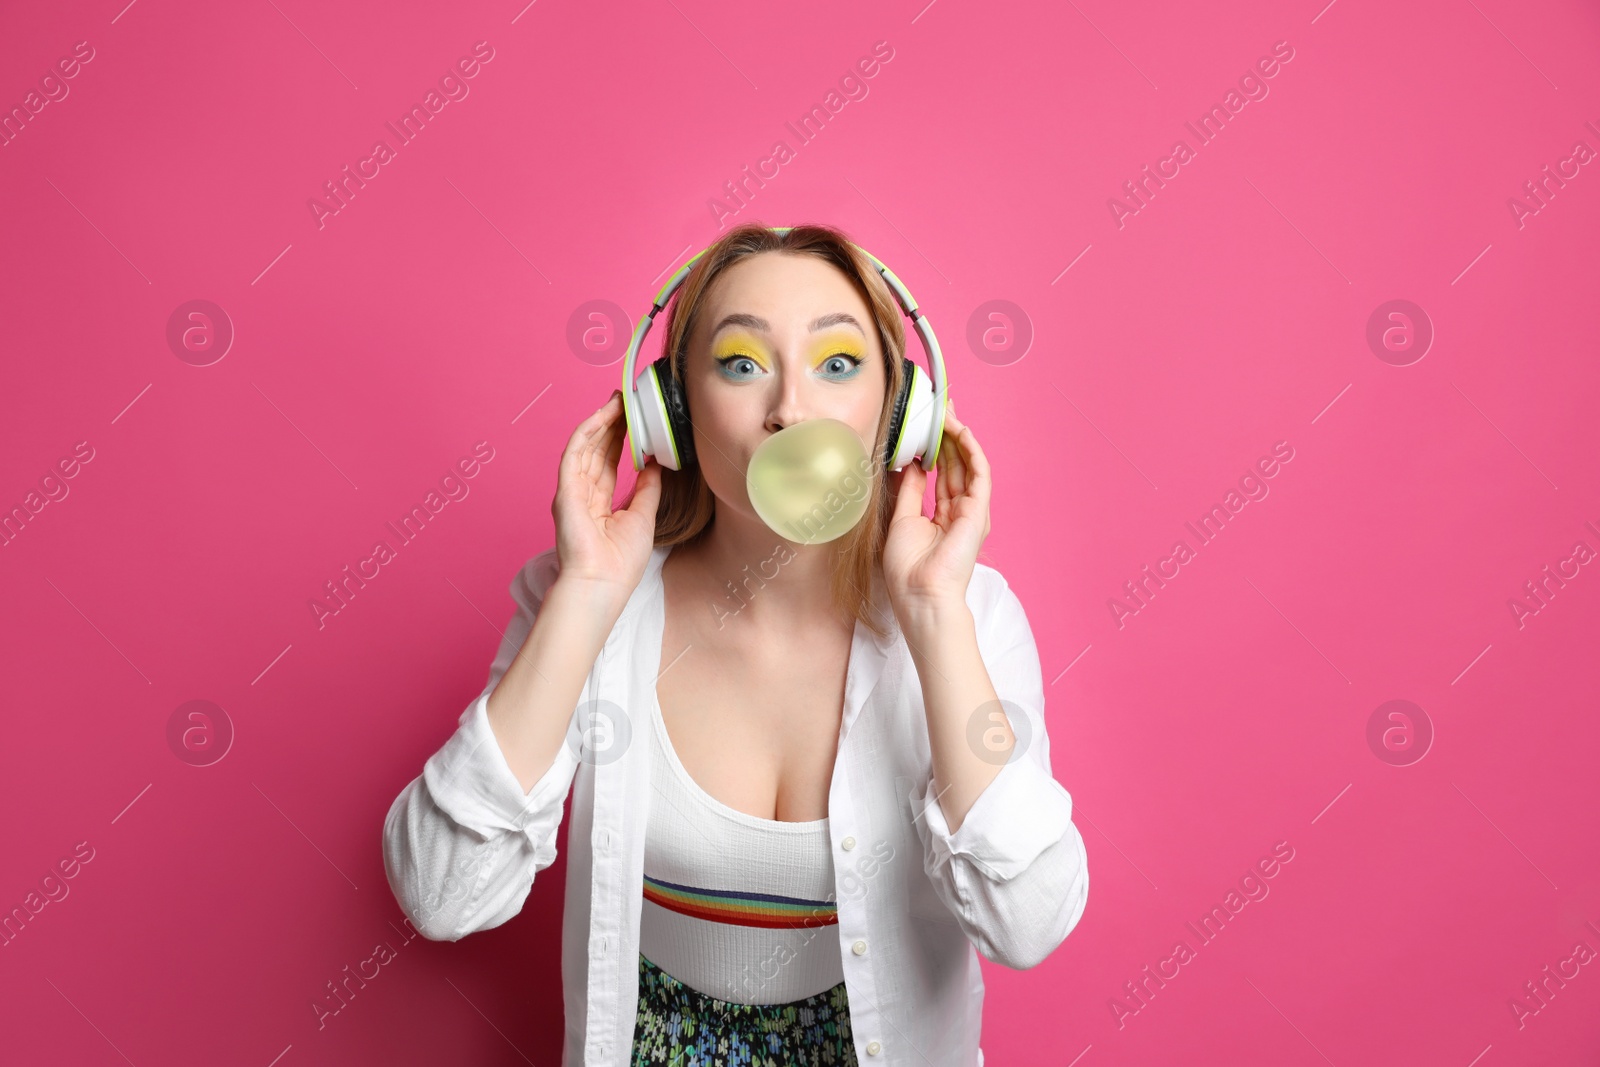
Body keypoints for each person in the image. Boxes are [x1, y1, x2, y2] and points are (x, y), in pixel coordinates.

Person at [382, 222, 1089, 1067]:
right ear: (670, 413)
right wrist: (586, 598)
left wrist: (933, 612)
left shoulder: (969, 615)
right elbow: (440, 894)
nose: (790, 408)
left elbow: (1030, 921)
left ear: (900, 416)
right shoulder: (586, 604)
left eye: (838, 364)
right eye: (742, 364)